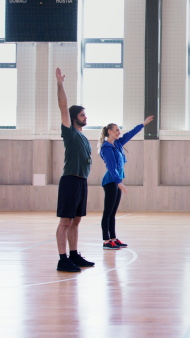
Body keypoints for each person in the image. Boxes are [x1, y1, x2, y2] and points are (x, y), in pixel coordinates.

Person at [55, 67, 95, 272]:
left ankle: (74, 255)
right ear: (74, 118)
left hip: (81, 181)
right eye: (82, 115)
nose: (85, 117)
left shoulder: (83, 136)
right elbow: (63, 107)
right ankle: (62, 259)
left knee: (77, 220)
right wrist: (60, 85)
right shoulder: (69, 132)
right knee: (66, 221)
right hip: (70, 180)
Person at [98, 116, 154, 250]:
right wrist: (118, 183)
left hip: (117, 180)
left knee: (113, 213)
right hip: (111, 181)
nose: (119, 133)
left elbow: (131, 134)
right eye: (116, 130)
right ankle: (106, 241)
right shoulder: (106, 148)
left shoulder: (117, 143)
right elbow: (111, 168)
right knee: (108, 212)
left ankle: (113, 238)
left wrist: (143, 124)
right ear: (109, 132)